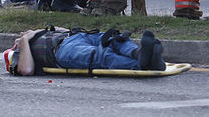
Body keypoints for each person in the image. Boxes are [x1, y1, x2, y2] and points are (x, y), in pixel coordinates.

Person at [8, 28, 165, 76]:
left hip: (78, 36)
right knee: (101, 55)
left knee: (114, 39)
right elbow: (26, 70)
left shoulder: (34, 36)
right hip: (62, 50)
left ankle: (139, 53)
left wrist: (38, 31)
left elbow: (65, 30)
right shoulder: (17, 55)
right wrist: (24, 41)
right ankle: (144, 64)